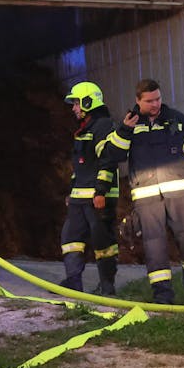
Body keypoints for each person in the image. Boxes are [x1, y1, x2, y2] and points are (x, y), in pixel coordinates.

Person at [103, 78, 184, 304]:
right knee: (154, 249)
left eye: (158, 99)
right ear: (138, 101)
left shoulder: (177, 120)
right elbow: (113, 155)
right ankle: (163, 298)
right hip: (147, 197)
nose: (155, 104)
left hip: (181, 194)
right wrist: (124, 130)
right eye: (149, 101)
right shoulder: (129, 125)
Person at [59, 81, 121, 295]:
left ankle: (107, 287)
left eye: (76, 103)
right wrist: (71, 190)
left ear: (88, 101)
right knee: (70, 239)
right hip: (79, 198)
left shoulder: (103, 125)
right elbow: (81, 165)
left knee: (103, 243)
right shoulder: (84, 129)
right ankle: (74, 282)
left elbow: (107, 160)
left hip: (97, 197)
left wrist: (101, 191)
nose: (74, 108)